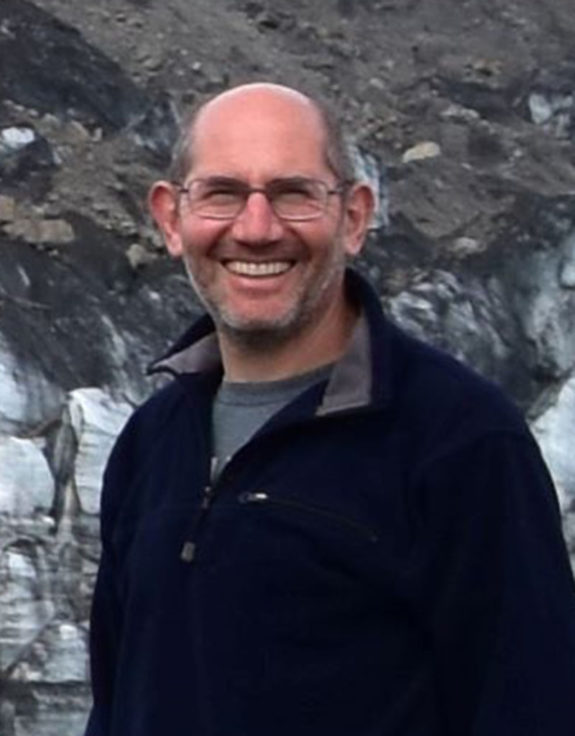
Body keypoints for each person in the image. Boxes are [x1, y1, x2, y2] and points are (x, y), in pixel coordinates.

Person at [84, 82, 575, 736]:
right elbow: (117, 704)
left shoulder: (459, 441)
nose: (255, 229)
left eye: (293, 193)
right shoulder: (151, 441)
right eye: (222, 193)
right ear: (171, 219)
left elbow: (530, 707)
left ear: (353, 217)